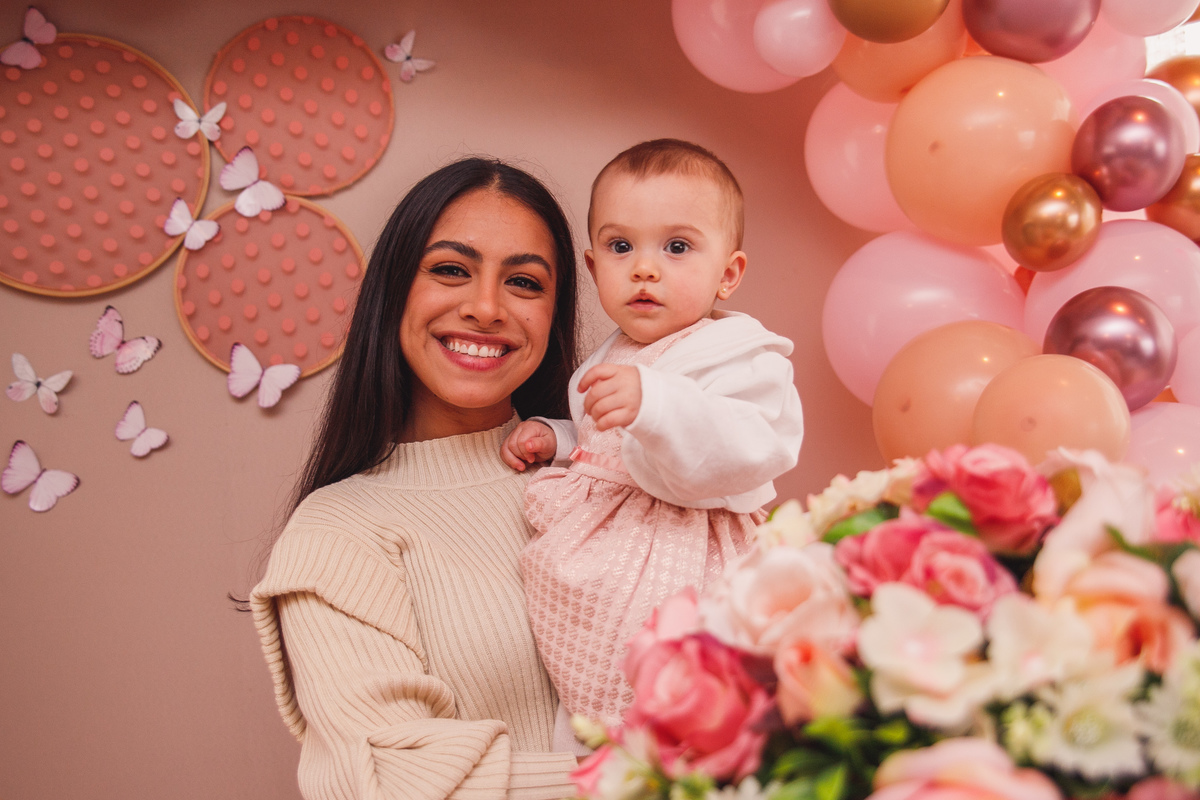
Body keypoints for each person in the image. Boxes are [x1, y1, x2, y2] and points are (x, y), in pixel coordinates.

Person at [250, 157, 582, 800]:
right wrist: (664, 783)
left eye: (524, 282)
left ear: (553, 313)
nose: (486, 308)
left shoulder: (615, 474)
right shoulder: (337, 533)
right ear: (394, 290)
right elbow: (390, 780)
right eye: (451, 270)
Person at [500, 139, 805, 744]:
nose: (644, 267)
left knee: (681, 685)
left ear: (729, 273)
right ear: (592, 268)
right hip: (610, 549)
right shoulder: (615, 352)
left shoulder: (740, 354)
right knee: (592, 693)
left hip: (687, 548)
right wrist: (560, 440)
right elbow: (606, 441)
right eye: (620, 247)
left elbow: (754, 444)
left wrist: (660, 405)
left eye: (678, 247)